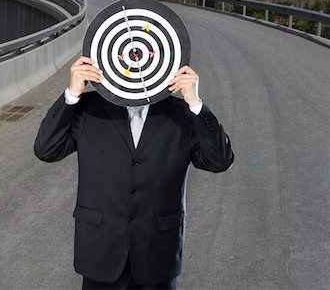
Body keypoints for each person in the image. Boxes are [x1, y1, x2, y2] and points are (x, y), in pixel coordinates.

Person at [34, 56, 234, 289]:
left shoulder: (182, 113)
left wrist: (195, 103)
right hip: (101, 254)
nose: (134, 58)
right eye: (126, 52)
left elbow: (219, 161)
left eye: (144, 52)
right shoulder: (88, 108)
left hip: (158, 257)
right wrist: (71, 94)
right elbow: (46, 150)